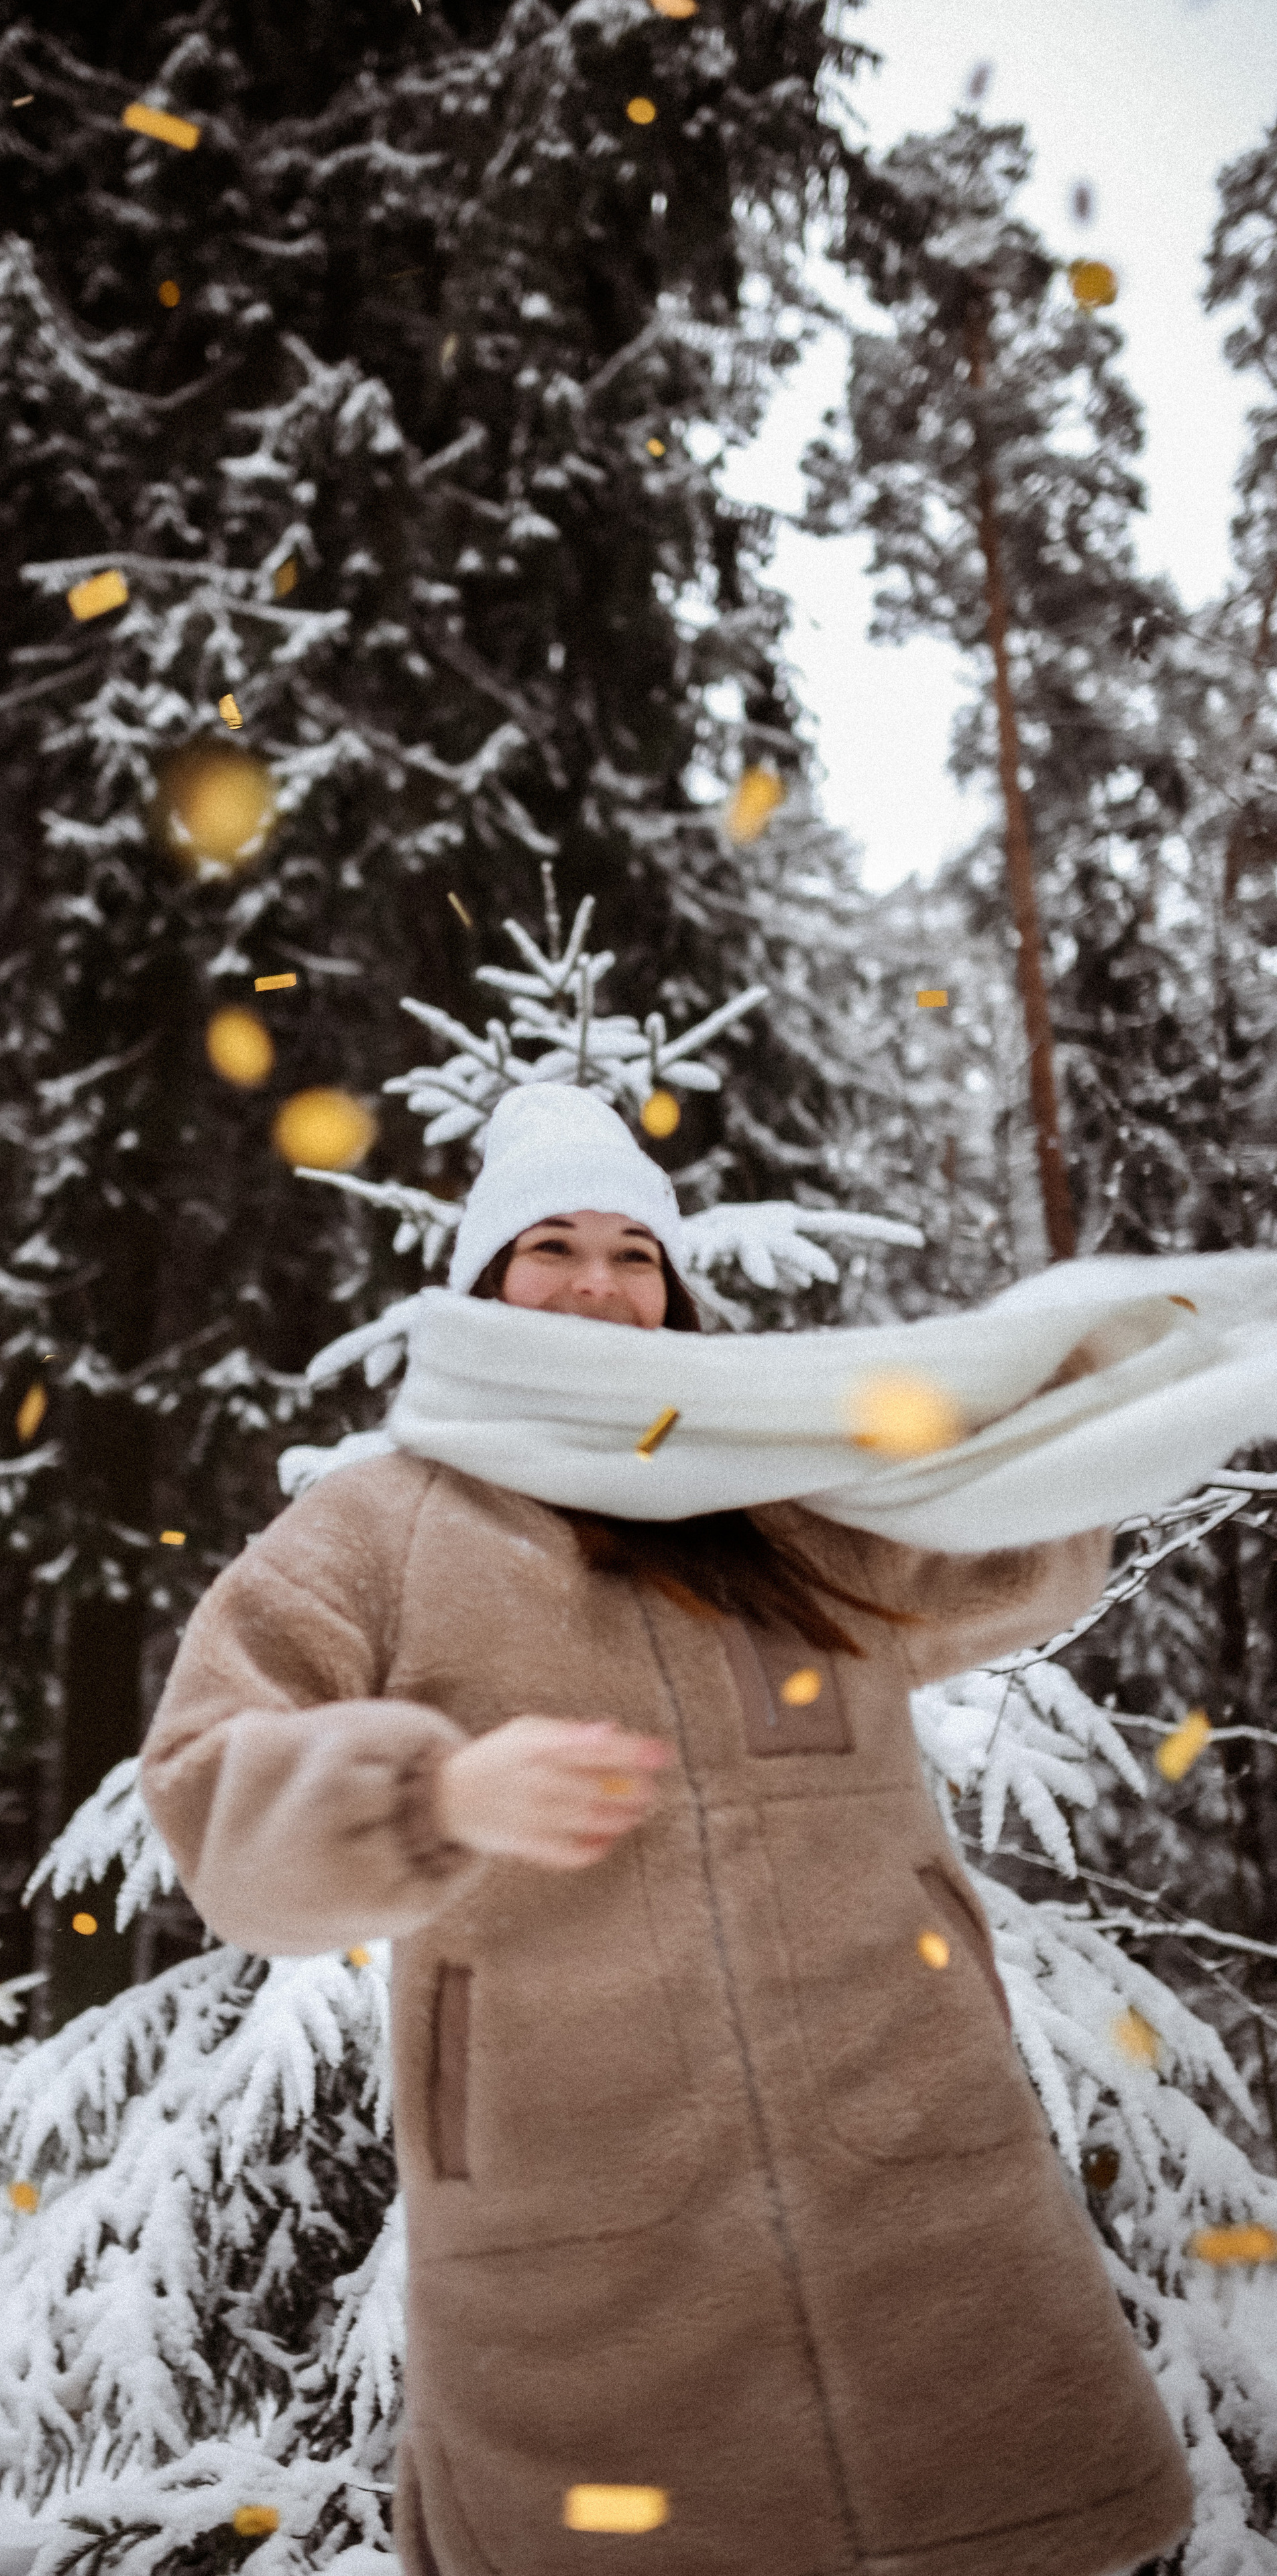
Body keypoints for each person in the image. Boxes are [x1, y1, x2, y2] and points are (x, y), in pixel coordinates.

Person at [140, 1085, 1195, 2576]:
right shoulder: (381, 1525)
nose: (596, 1283)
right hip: (582, 2236)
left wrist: (1080, 1396)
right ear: (482, 1281)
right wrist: (434, 1796)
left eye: (632, 1254)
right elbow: (210, 1794)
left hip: (919, 2189)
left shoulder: (778, 1498)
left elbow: (1009, 1556)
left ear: (674, 1290)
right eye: (551, 1248)